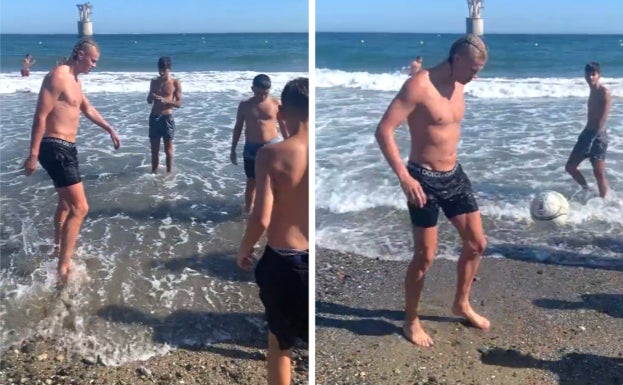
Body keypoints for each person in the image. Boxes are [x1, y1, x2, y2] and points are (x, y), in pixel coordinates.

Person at [375, 35, 490, 348]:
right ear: (456, 59)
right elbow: (384, 130)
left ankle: (461, 303)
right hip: (422, 179)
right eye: (474, 69)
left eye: (480, 70)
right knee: (425, 256)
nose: (476, 76)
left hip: (454, 175)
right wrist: (404, 177)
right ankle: (411, 320)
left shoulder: (459, 84)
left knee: (477, 243)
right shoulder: (418, 87)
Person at [22, 37, 121, 284]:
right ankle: (63, 268)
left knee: (66, 205)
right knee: (81, 208)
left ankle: (59, 248)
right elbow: (40, 116)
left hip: (67, 148)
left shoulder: (75, 81)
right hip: (54, 147)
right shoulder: (59, 76)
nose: (95, 65)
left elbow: (87, 108)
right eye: (93, 60)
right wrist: (33, 154)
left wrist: (109, 128)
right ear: (80, 54)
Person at [237, 77, 308, 385]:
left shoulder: (272, 155)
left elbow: (261, 218)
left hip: (285, 262)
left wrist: (245, 248)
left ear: (284, 111)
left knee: (281, 345)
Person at [230, 74, 288, 214]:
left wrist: (288, 143)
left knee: (274, 181)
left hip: (272, 147)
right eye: (259, 93)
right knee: (252, 181)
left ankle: (275, 209)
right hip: (251, 147)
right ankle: (248, 210)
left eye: (266, 93)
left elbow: (283, 125)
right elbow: (238, 127)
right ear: (252, 89)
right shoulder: (245, 105)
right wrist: (233, 149)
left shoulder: (275, 104)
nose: (262, 97)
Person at [565, 62, 612, 198]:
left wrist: (593, 139)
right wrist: (585, 135)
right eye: (588, 74)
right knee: (570, 167)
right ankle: (587, 189)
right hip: (586, 134)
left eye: (593, 74)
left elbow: (602, 119)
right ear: (584, 75)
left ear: (598, 75)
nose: (590, 77)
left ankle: (604, 201)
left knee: (598, 173)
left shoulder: (604, 92)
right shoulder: (591, 91)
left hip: (598, 137)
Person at [147, 56, 182, 173]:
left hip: (167, 117)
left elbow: (179, 103)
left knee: (168, 150)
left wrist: (167, 101)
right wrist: (151, 97)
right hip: (154, 117)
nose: (161, 72)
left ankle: (169, 174)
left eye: (164, 70)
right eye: (159, 70)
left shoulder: (175, 83)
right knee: (154, 150)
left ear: (169, 68)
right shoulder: (154, 82)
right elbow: (148, 100)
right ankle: (153, 173)